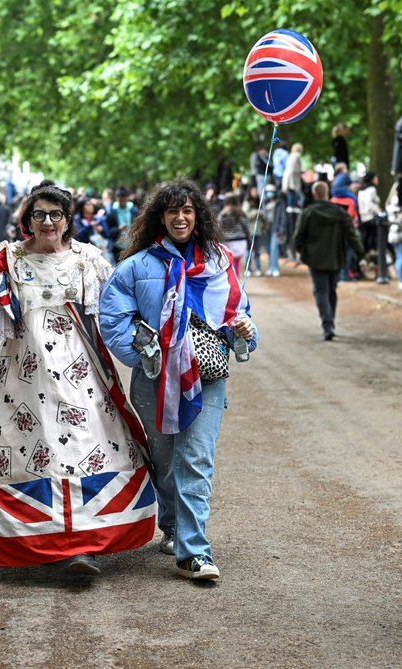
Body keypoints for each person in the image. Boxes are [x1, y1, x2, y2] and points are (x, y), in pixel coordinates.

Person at [0, 182, 154, 574]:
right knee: (28, 451)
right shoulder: (9, 258)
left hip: (82, 377)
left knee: (85, 447)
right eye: (39, 215)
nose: (47, 222)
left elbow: (123, 308)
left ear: (68, 220)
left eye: (56, 215)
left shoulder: (89, 259)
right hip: (22, 380)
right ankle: (32, 540)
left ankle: (83, 546)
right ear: (27, 219)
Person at [99, 177, 258, 580]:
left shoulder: (221, 262)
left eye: (187, 210)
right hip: (155, 380)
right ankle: (171, 526)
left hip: (206, 377)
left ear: (198, 216)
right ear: (161, 217)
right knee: (166, 460)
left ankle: (194, 551)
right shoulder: (136, 266)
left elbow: (242, 316)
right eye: (173, 211)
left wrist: (243, 333)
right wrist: (145, 357)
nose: (181, 217)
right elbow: (113, 318)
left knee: (195, 459)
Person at [294, 181, 365, 340]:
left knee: (321, 291)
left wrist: (302, 252)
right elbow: (352, 235)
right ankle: (330, 321)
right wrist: (361, 253)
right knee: (331, 290)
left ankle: (327, 324)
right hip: (336, 258)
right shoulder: (340, 213)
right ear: (328, 194)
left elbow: (298, 237)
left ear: (314, 194)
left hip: (315, 259)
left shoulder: (308, 213)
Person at [218, 190, 251, 275]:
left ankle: (231, 282)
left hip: (227, 242)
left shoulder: (223, 214)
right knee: (237, 262)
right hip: (241, 241)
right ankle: (237, 281)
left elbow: (218, 228)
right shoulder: (241, 213)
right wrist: (249, 242)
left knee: (229, 262)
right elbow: (247, 228)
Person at [106, 186, 137, 262]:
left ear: (127, 198)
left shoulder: (133, 210)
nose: (122, 201)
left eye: (124, 199)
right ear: (117, 198)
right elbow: (108, 232)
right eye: (120, 199)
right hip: (117, 244)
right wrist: (118, 229)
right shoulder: (112, 211)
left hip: (132, 242)